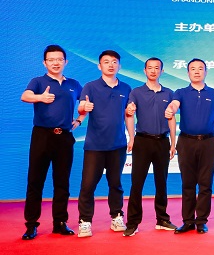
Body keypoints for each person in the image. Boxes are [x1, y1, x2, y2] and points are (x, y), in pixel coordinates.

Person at [20, 45, 83, 240]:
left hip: (64, 137)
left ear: (66, 62)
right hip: (42, 136)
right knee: (35, 181)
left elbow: (84, 104)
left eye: (59, 59)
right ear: (45, 62)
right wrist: (40, 97)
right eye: (51, 59)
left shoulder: (74, 84)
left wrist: (79, 120)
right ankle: (31, 225)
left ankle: (60, 223)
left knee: (62, 182)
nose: (56, 63)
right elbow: (25, 96)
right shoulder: (38, 81)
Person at [76, 50, 132, 238]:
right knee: (88, 185)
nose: (110, 65)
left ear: (119, 66)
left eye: (114, 62)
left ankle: (117, 216)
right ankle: (85, 221)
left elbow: (128, 114)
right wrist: (83, 108)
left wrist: (132, 137)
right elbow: (81, 107)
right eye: (106, 62)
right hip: (95, 146)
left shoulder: (126, 88)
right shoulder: (90, 87)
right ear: (99, 66)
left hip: (118, 145)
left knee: (116, 184)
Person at [166, 58, 214, 235]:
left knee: (205, 184)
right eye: (193, 69)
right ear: (188, 73)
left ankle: (201, 221)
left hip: (209, 142)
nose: (197, 71)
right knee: (188, 183)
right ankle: (188, 221)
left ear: (206, 72)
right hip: (186, 142)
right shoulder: (181, 92)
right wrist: (171, 108)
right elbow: (174, 104)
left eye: (200, 69)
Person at [123, 57, 178, 237]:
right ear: (144, 71)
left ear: (162, 71)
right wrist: (131, 138)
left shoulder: (169, 93)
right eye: (150, 68)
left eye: (157, 68)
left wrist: (173, 142)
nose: (153, 71)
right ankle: (132, 222)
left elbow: (171, 118)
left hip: (162, 141)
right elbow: (129, 114)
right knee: (137, 183)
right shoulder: (136, 92)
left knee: (161, 182)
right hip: (142, 141)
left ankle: (162, 219)